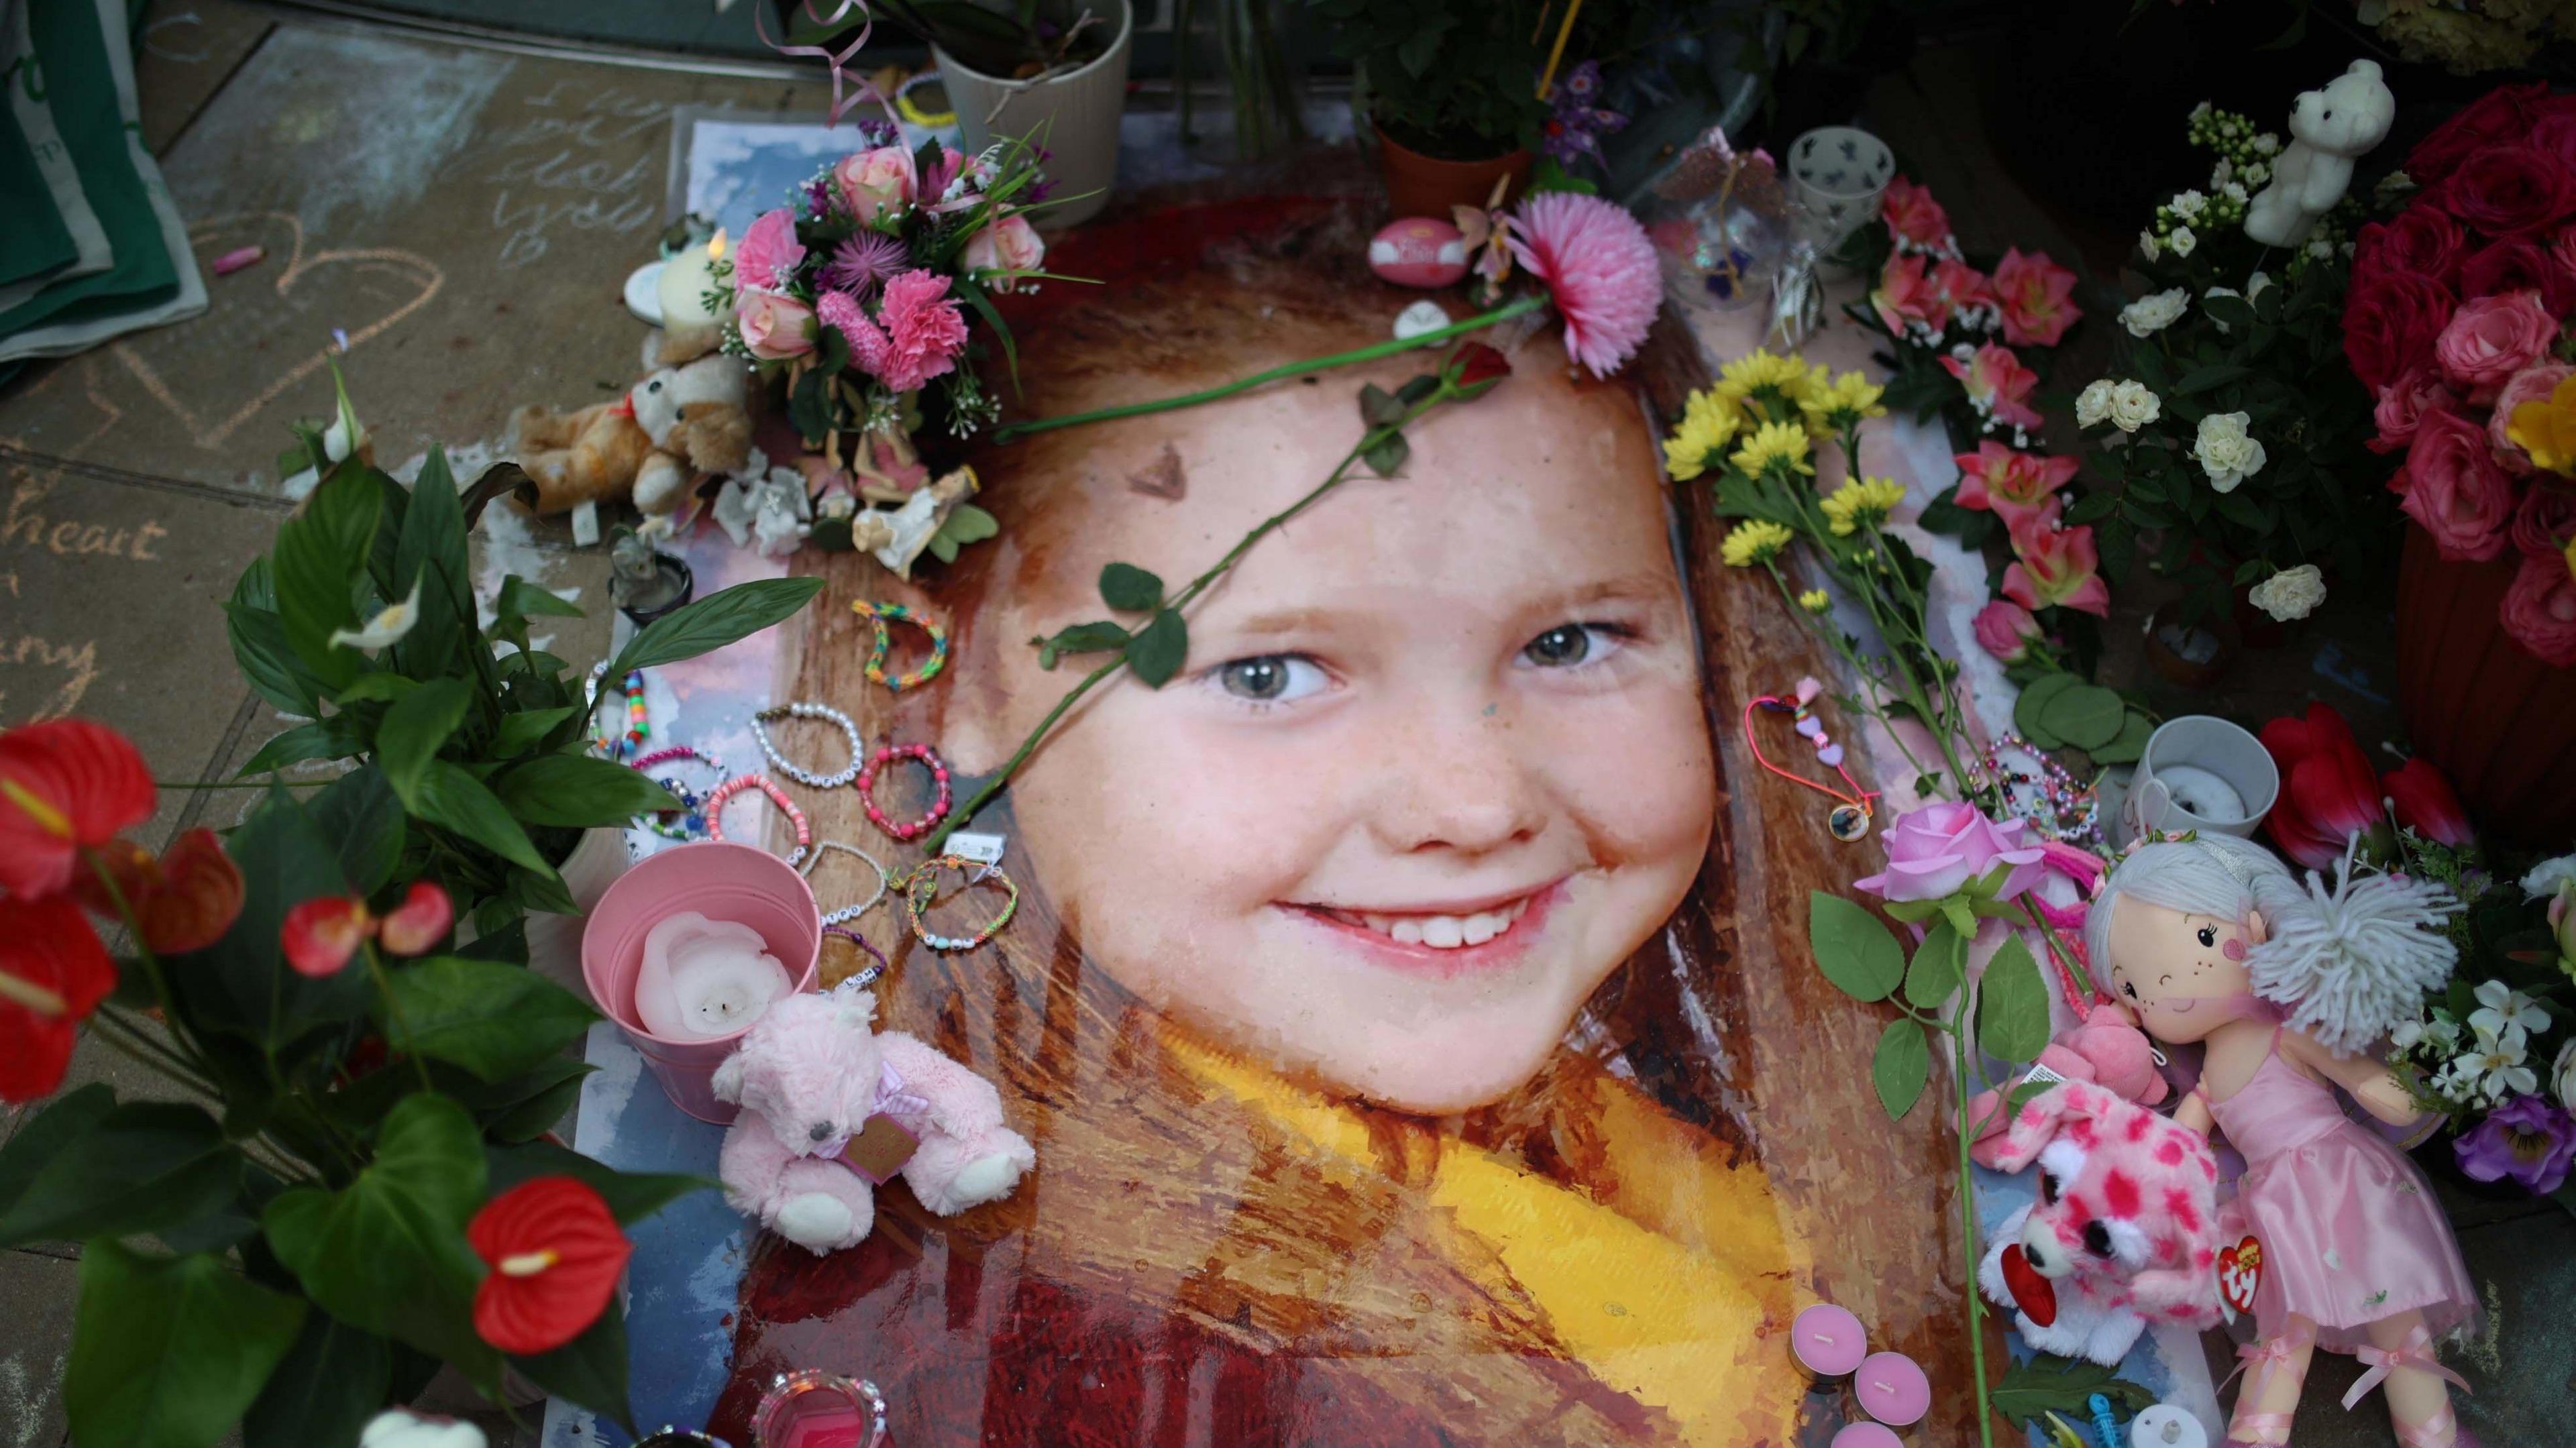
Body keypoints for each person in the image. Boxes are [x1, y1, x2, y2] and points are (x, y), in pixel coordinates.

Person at [724, 202, 1821, 1447]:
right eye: (1270, 674)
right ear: (956, 672)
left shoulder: (1712, 1074)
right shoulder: (1034, 1354)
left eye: (1569, 642)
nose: (1473, 805)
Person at [2085, 833, 2478, 1448]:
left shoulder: (2287, 1029)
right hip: (2275, 1201)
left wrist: (2403, 1092)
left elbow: (2362, 1076)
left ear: (2255, 925)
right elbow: (2180, 1141)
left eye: (2205, 938)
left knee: (2392, 1303)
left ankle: (2432, 1432)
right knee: (2283, 1324)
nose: (2165, 983)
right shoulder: (2209, 1078)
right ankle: (2255, 1435)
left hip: (2340, 1173)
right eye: (2135, 988)